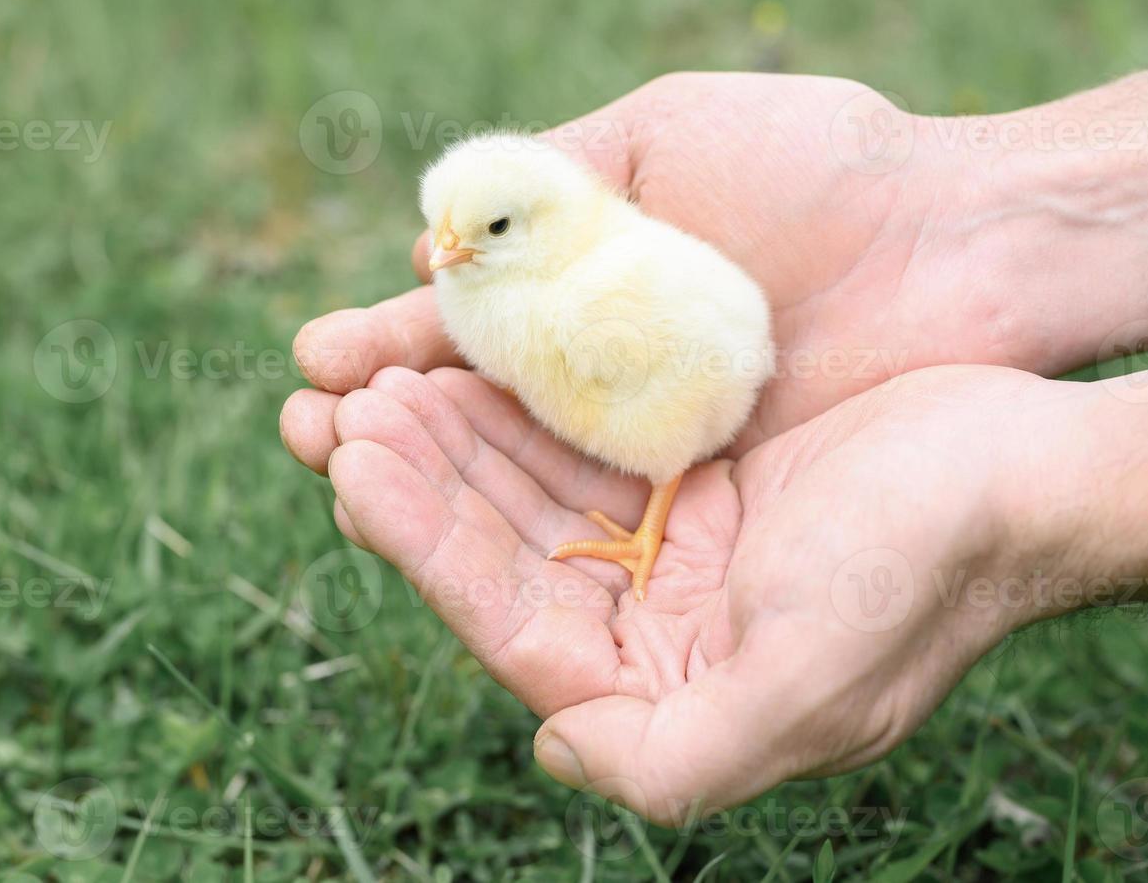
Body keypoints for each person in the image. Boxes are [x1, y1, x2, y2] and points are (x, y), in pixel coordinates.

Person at [279, 72, 1148, 825]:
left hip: (695, 381)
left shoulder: (582, 296)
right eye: (446, 226)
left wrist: (1043, 486)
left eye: (489, 231)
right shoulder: (536, 266)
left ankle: (649, 518)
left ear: (538, 221)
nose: (450, 248)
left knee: (640, 411)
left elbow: (696, 365)